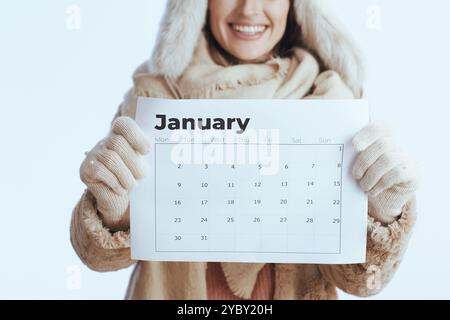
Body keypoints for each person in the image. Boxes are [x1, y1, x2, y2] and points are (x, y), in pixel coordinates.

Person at [71, 0, 418, 299]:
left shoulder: (333, 101)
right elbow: (98, 258)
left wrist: (382, 210)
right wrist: (114, 213)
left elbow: (362, 281)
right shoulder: (154, 99)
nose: (249, 8)